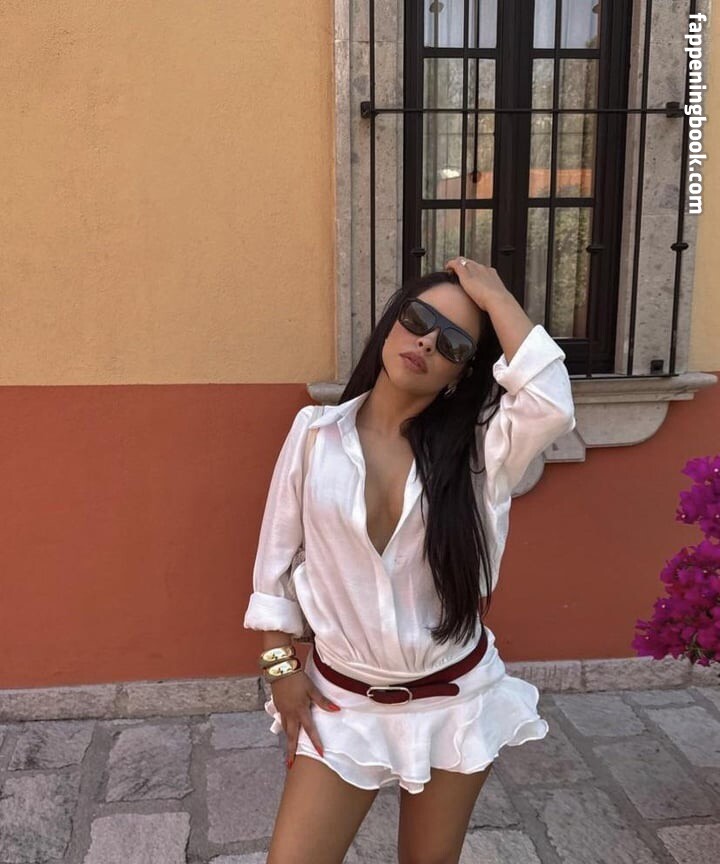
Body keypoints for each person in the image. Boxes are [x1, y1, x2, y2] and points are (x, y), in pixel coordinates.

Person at [243, 257, 577, 864]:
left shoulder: (480, 455)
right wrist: (280, 668)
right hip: (342, 702)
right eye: (419, 319)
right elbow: (274, 562)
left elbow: (550, 404)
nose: (426, 342)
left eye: (453, 343)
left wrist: (496, 295)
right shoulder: (315, 434)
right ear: (392, 322)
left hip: (454, 699)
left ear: (461, 373)